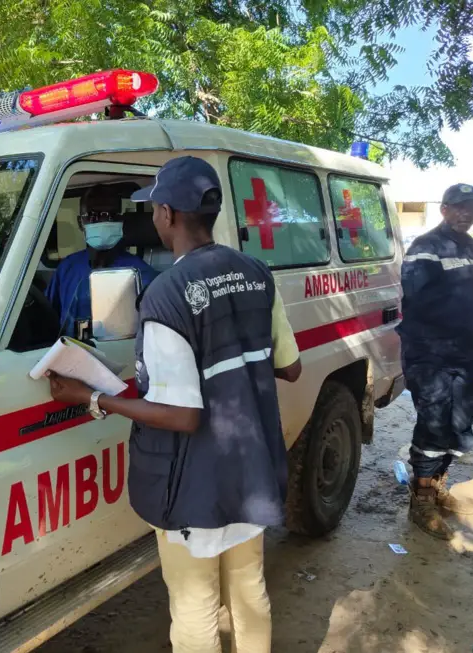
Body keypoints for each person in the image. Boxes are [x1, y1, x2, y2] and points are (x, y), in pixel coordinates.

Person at [46, 156, 302, 653]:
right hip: (251, 472)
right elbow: (289, 367)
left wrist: (93, 397)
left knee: (195, 607)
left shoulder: (165, 296)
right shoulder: (256, 273)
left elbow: (182, 416)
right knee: (250, 592)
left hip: (194, 484)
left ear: (166, 214)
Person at [397, 183, 473, 540]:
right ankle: (421, 498)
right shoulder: (425, 247)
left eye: (471, 207)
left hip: (462, 354)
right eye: (458, 207)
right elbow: (422, 302)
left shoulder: (472, 246)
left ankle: (437, 486)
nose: (466, 213)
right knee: (434, 421)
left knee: (458, 425)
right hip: (428, 352)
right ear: (443, 209)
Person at [46, 184, 157, 334]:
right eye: (93, 215)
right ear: (80, 222)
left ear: (120, 220)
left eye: (111, 215)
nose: (103, 221)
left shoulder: (142, 275)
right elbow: (48, 318)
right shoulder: (67, 268)